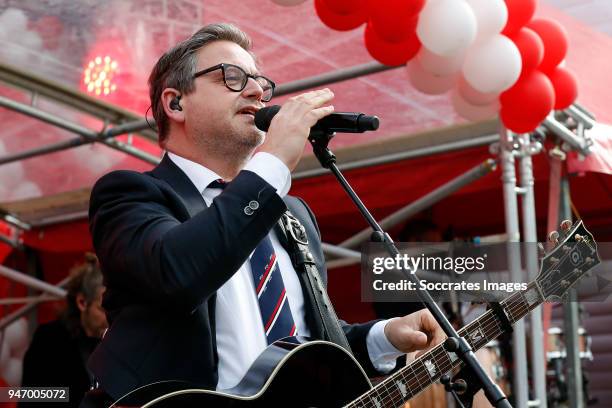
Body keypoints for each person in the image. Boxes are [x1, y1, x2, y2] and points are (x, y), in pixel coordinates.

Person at [86, 22, 445, 404]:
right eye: (233, 77)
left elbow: (308, 348)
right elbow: (175, 272)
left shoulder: (291, 213)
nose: (258, 91)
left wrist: (384, 337)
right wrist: (272, 162)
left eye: (260, 81)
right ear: (175, 103)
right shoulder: (131, 194)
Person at [19, 254, 107, 408]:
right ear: (81, 302)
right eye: (102, 309)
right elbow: (29, 395)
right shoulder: (49, 339)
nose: (109, 318)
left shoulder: (114, 340)